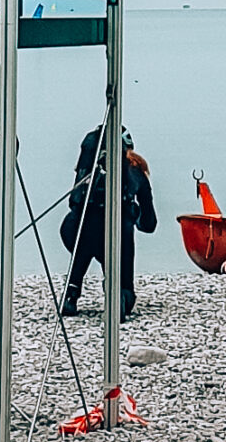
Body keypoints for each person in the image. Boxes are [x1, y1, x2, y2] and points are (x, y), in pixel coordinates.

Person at [60, 125, 156, 319]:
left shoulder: (85, 175)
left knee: (88, 236)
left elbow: (74, 204)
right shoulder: (137, 173)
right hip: (117, 239)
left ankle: (71, 293)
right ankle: (119, 291)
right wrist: (135, 216)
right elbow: (149, 224)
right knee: (115, 235)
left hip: (74, 233)